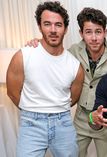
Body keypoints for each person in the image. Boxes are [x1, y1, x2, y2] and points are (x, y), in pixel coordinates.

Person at [25, 7, 107, 157]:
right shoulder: (72, 51)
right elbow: (53, 56)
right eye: (88, 32)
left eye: (98, 32)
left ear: (105, 32)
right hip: (81, 118)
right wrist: (37, 43)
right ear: (81, 33)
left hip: (106, 119)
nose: (94, 38)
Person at [6, 1, 84, 157]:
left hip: (63, 123)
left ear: (66, 29)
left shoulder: (75, 66)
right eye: (47, 24)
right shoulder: (23, 56)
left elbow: (73, 98)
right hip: (31, 124)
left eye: (58, 25)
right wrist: (33, 109)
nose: (53, 30)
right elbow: (13, 92)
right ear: (40, 26)